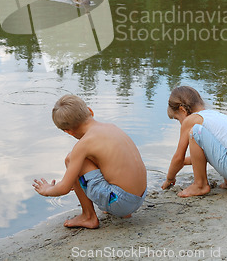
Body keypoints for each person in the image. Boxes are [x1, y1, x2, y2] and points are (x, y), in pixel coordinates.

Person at [33, 94, 147, 228]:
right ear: (90, 111)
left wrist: (47, 190)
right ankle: (123, 211)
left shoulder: (84, 144)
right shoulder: (111, 127)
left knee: (71, 159)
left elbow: (64, 188)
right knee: (93, 160)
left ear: (68, 132)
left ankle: (88, 216)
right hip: (140, 197)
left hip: (121, 202)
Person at [161, 86, 227, 197]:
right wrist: (183, 162)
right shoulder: (212, 116)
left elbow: (178, 157)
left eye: (178, 119)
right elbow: (209, 154)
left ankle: (200, 185)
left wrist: (169, 179)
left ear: (182, 110)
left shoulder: (191, 120)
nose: (180, 123)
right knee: (221, 141)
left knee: (195, 132)